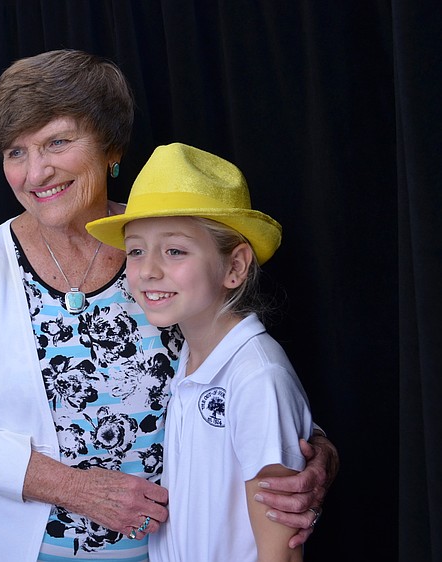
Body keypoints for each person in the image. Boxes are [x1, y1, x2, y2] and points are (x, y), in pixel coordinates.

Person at [0, 49, 337, 562]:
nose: (35, 172)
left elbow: (236, 377)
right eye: (16, 152)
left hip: (177, 548)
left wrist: (313, 455)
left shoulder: (164, 249)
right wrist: (75, 488)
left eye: (57, 142)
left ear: (110, 147)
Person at [87, 142, 314, 561]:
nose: (149, 269)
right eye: (136, 250)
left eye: (175, 250)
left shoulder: (257, 378)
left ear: (235, 267)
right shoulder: (188, 359)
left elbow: (279, 553)